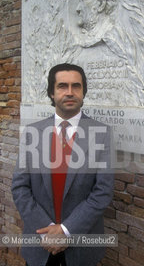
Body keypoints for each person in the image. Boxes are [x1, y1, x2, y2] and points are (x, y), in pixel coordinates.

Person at [12, 63, 114, 266]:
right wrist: (47, 230)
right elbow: (20, 187)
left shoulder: (102, 133)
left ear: (83, 92)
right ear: (51, 92)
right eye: (62, 86)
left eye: (76, 86)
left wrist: (67, 231)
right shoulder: (33, 133)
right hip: (40, 242)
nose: (70, 92)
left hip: (81, 247)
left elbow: (103, 191)